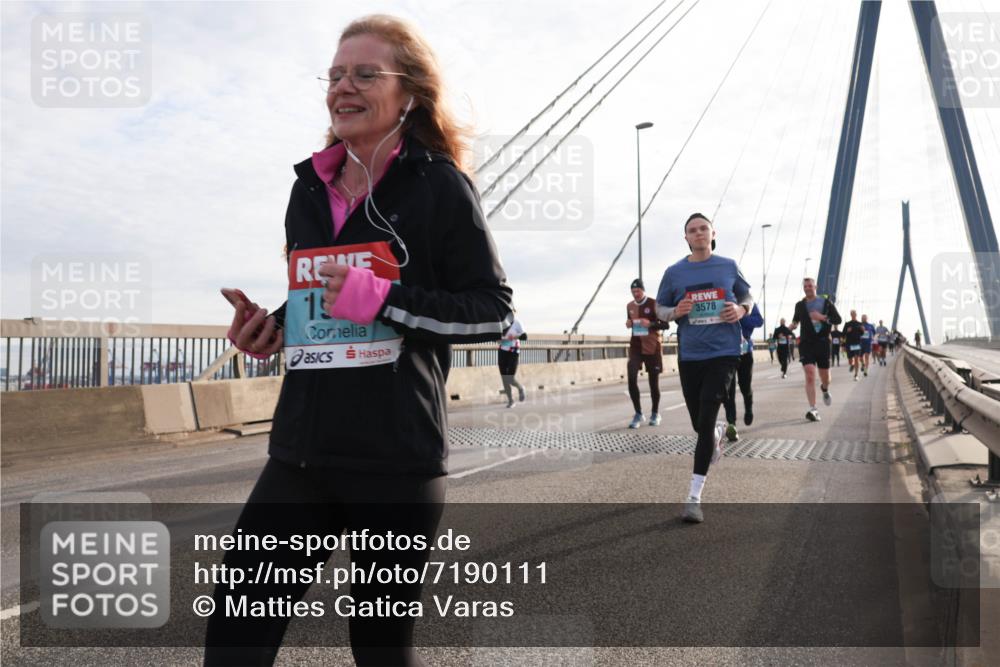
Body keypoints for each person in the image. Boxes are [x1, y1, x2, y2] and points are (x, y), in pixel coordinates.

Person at [206, 15, 513, 666]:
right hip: (302, 453)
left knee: (379, 651)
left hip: (396, 461)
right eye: (337, 74)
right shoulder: (308, 188)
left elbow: (490, 312)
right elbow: (321, 299)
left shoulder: (440, 187)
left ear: (409, 94)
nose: (344, 86)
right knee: (233, 638)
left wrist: (385, 299)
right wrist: (274, 329)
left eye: (366, 74)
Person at [656, 212, 754, 524]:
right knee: (700, 426)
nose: (698, 234)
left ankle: (694, 497)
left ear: (713, 234)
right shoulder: (674, 273)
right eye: (692, 230)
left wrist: (741, 309)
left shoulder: (728, 265)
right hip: (690, 355)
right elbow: (659, 309)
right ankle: (714, 433)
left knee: (709, 411)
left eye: (703, 229)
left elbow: (747, 295)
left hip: (724, 353)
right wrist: (675, 311)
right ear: (685, 237)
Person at [789, 278, 842, 422]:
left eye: (810, 286)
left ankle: (824, 389)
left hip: (823, 343)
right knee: (810, 374)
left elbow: (838, 320)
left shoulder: (826, 303)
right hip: (806, 343)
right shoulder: (799, 305)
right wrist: (790, 327)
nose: (807, 288)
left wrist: (822, 317)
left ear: (815, 287)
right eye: (805, 286)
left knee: (826, 378)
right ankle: (813, 409)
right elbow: (796, 320)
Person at [626, 278, 669, 428]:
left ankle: (655, 413)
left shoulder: (654, 303)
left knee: (653, 383)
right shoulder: (629, 306)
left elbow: (666, 324)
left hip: (652, 347)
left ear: (643, 290)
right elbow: (630, 322)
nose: (635, 294)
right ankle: (638, 413)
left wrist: (649, 324)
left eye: (638, 291)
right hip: (636, 347)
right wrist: (629, 323)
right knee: (631, 377)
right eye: (633, 292)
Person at [722, 303, 764, 440]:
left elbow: (759, 321)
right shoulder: (723, 301)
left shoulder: (749, 303)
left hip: (746, 352)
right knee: (728, 390)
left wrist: (740, 315)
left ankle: (748, 409)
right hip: (727, 351)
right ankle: (731, 423)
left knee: (745, 386)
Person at [499, 314, 527, 408]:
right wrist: (501, 340)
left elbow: (524, 336)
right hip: (502, 351)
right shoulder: (499, 324)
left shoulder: (516, 323)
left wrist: (511, 338)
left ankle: (520, 388)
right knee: (504, 377)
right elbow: (497, 340)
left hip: (514, 351)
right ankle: (511, 400)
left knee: (510, 377)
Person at [843, 310, 865, 381]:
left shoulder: (860, 323)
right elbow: (843, 334)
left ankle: (856, 375)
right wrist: (847, 331)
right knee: (850, 360)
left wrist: (863, 330)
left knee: (856, 358)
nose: (853, 315)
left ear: (856, 315)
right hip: (849, 343)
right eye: (852, 314)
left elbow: (862, 334)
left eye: (854, 314)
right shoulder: (847, 324)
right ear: (851, 315)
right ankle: (852, 365)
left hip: (857, 343)